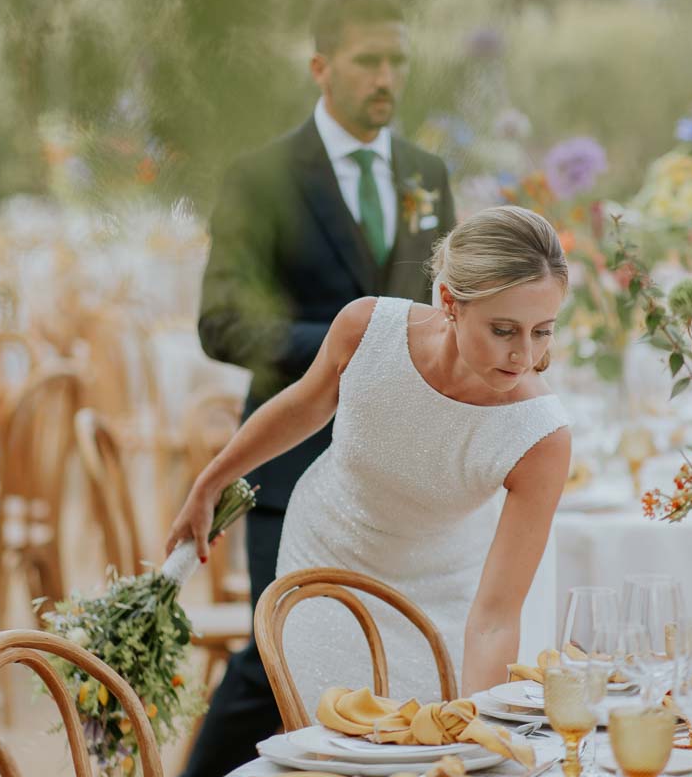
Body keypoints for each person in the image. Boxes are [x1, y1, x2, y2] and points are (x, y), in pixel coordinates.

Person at [166, 0, 453, 777]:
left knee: (393, 653)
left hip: (402, 464)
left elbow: (443, 305)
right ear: (321, 66)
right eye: (369, 59)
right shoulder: (260, 176)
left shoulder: (426, 176)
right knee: (281, 654)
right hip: (289, 465)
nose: (387, 76)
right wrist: (346, 344)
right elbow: (221, 321)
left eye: (398, 59)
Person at [167, 205, 571, 728]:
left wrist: (479, 731)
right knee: (331, 758)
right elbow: (300, 407)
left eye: (543, 331)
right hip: (326, 566)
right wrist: (209, 482)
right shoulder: (365, 330)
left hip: (446, 605)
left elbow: (494, 620)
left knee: (432, 765)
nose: (524, 355)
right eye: (504, 330)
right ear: (450, 302)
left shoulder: (540, 436)